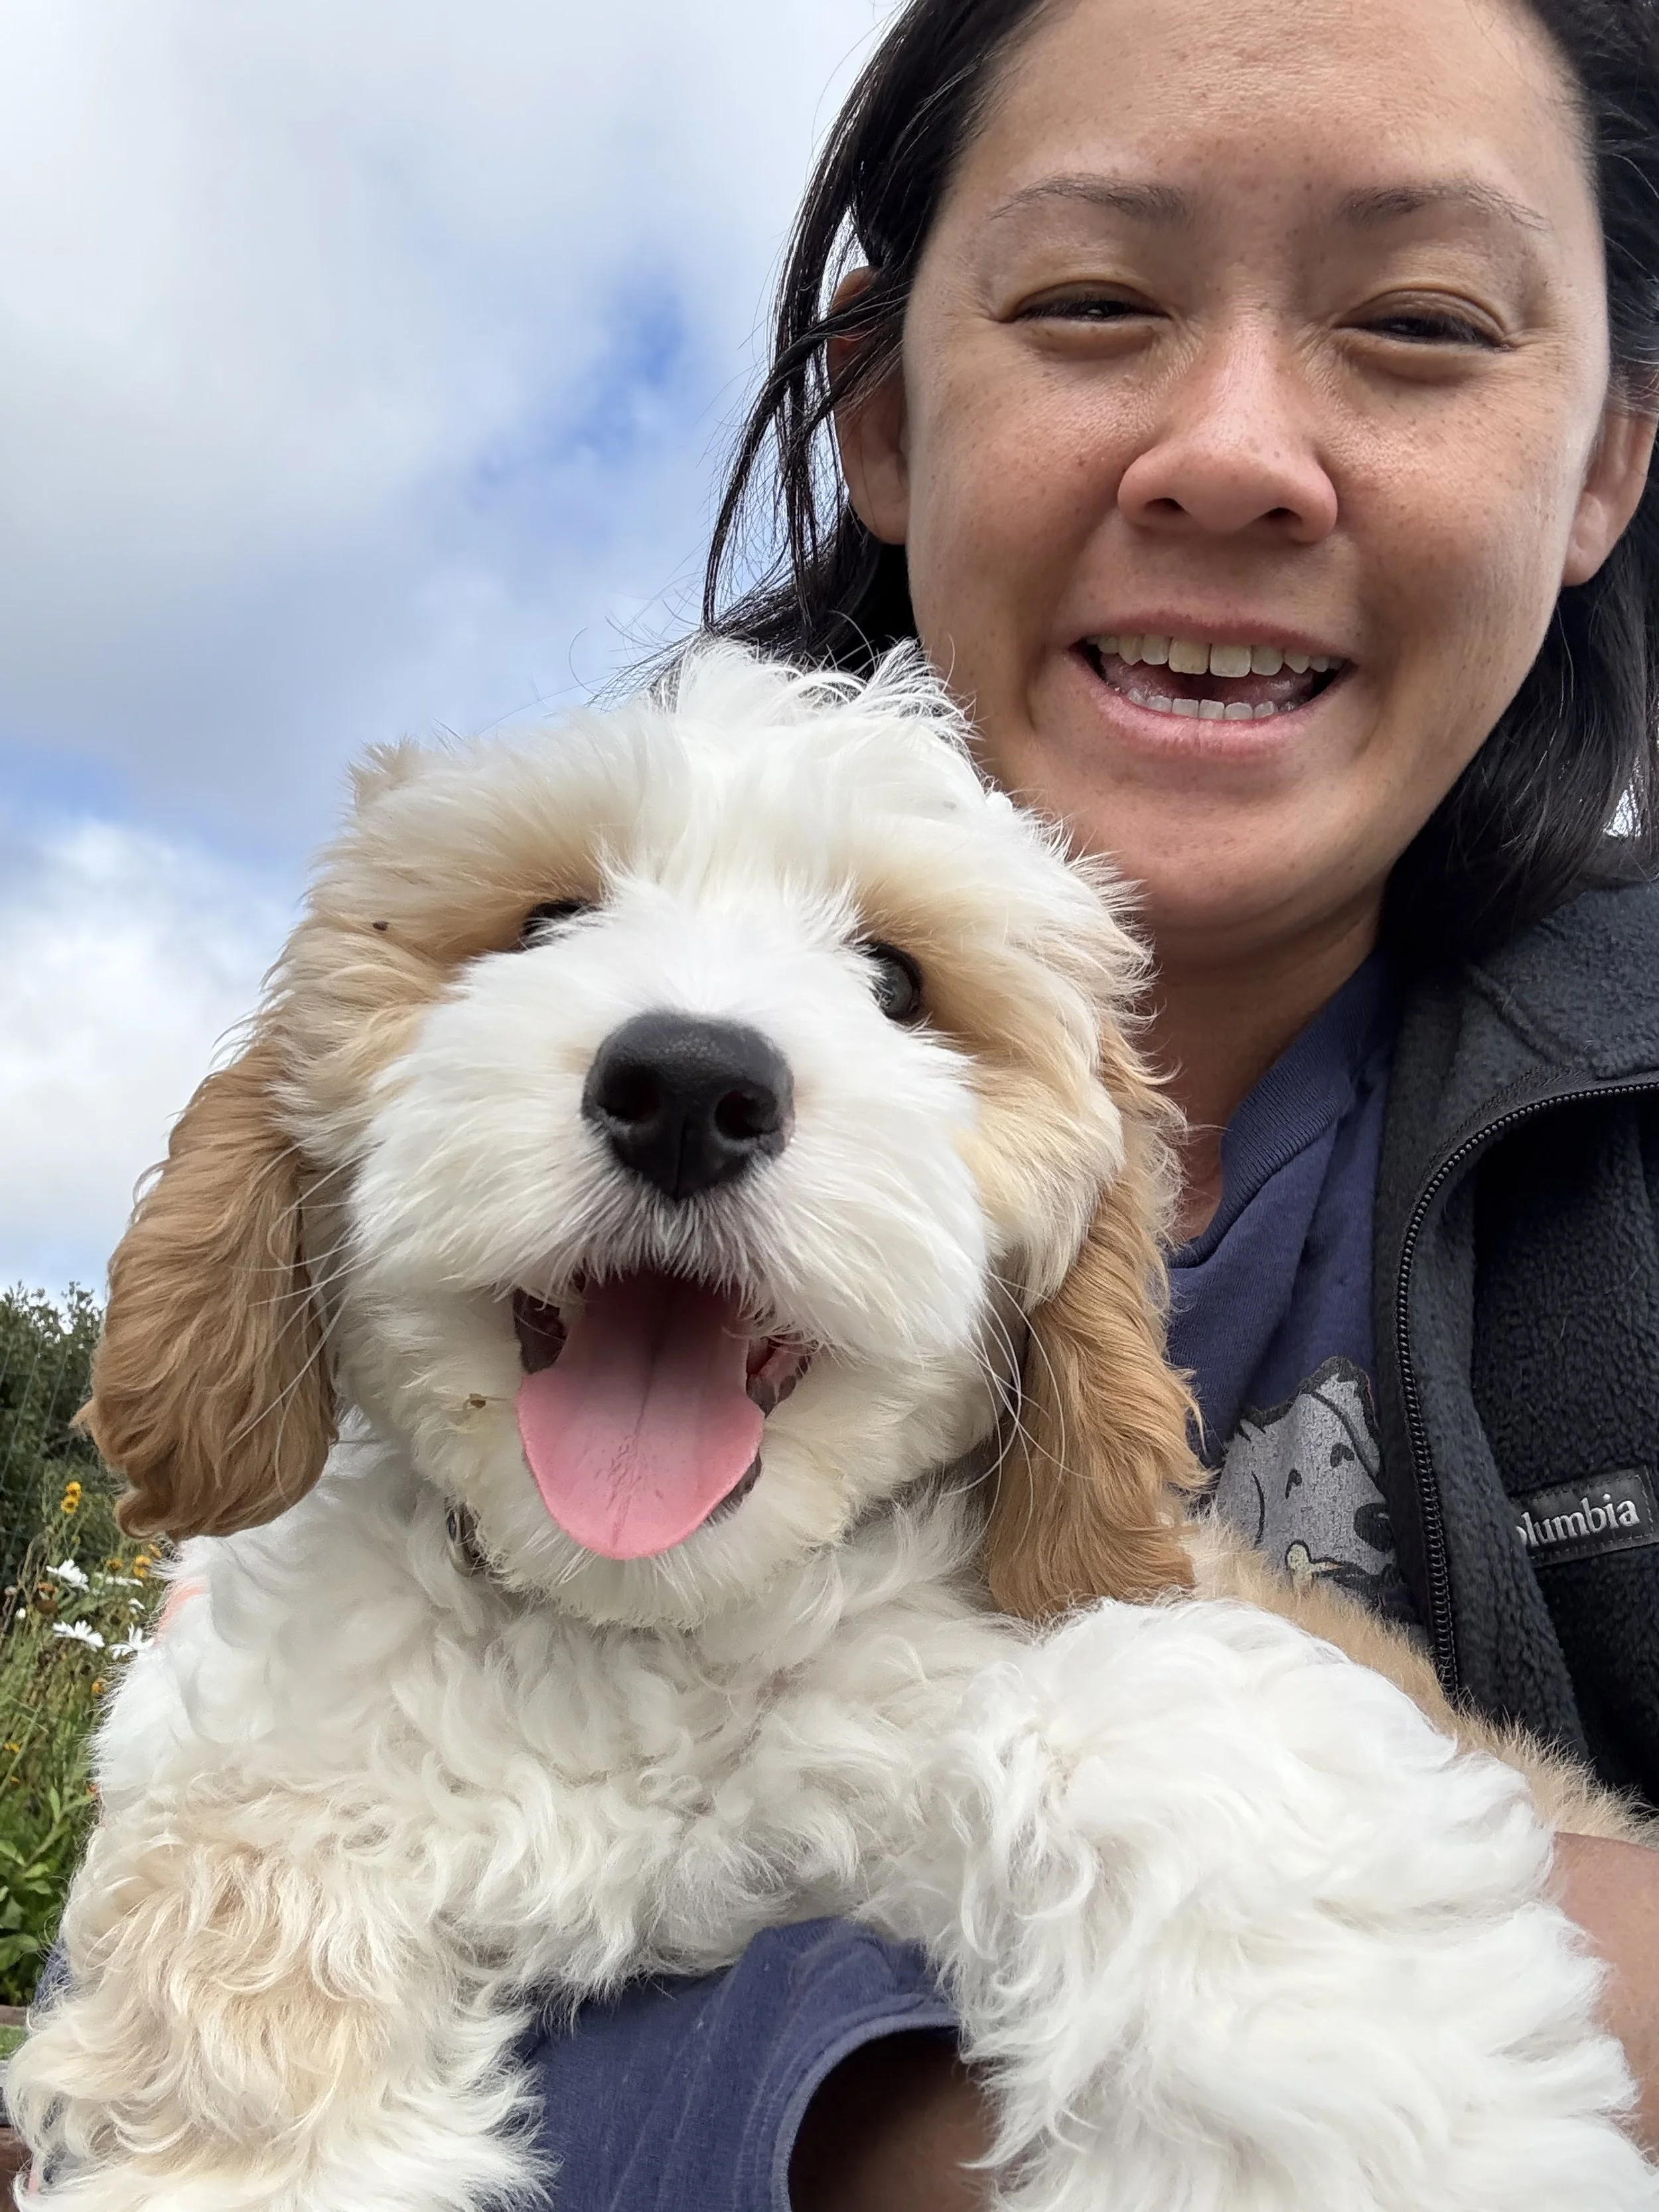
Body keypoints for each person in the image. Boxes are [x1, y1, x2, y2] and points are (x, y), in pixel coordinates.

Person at [517, 0, 1659, 2200]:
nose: (1231, 451)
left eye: (1418, 321)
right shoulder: (511, 1094)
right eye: (1091, 303)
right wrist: (873, 2110)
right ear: (878, 409)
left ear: (1604, 454)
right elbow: (233, 1959)